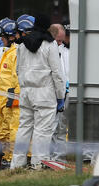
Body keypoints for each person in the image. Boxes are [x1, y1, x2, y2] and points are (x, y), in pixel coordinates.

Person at [10, 14, 66, 170]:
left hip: (26, 91)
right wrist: (60, 96)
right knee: (43, 130)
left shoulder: (22, 44)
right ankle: (38, 164)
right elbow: (57, 73)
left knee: (24, 128)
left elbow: (17, 70)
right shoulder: (50, 44)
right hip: (45, 92)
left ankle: (16, 164)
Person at [0, 18, 20, 167]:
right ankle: (7, 158)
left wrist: (14, 97)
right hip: (2, 100)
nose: (1, 40)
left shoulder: (16, 53)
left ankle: (14, 160)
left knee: (13, 130)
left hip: (11, 99)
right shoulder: (8, 52)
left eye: (3, 37)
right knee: (0, 131)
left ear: (10, 36)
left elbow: (16, 77)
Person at [49, 23, 70, 161]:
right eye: (58, 40)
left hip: (66, 92)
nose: (61, 42)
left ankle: (59, 158)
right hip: (51, 92)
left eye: (62, 40)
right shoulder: (47, 50)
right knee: (50, 127)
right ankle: (49, 157)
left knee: (62, 127)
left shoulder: (67, 51)